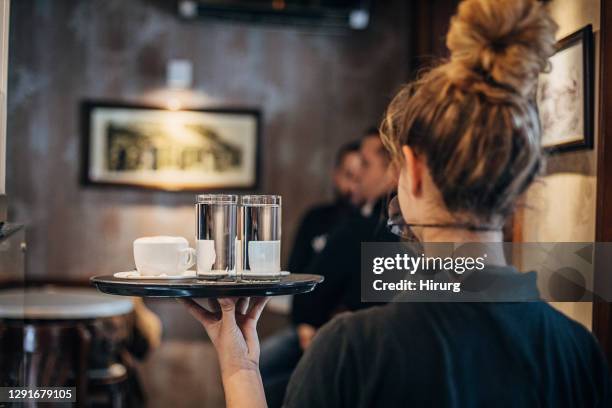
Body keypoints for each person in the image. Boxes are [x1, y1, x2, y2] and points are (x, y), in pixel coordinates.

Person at [180, 0, 612, 406]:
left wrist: (239, 367)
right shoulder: (577, 351)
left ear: (414, 171)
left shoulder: (352, 351)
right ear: (519, 183)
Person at [260, 131, 397, 407]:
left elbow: (310, 300)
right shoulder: (335, 219)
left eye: (366, 165)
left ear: (394, 169)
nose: (358, 175)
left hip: (353, 352)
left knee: (258, 379)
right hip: (335, 340)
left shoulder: (367, 229)